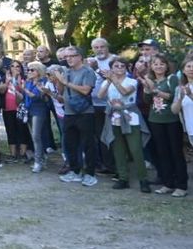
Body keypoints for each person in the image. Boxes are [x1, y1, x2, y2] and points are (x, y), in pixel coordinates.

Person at [97, 58, 149, 192]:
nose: (119, 68)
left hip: (130, 116)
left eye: (122, 66)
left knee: (135, 149)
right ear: (111, 68)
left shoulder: (132, 81)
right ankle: (123, 178)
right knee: (118, 148)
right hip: (114, 117)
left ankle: (143, 179)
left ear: (127, 68)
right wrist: (108, 81)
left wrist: (113, 80)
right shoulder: (107, 82)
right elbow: (100, 95)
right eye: (116, 66)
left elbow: (125, 92)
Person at [53, 46, 98, 187]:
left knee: (88, 144)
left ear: (80, 57)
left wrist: (66, 82)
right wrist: (59, 80)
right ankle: (75, 171)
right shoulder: (66, 71)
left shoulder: (88, 71)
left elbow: (86, 90)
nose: (69, 59)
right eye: (66, 57)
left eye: (72, 56)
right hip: (69, 112)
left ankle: (90, 173)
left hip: (85, 112)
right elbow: (61, 91)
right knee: (70, 143)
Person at [143, 53, 187, 197]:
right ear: (151, 66)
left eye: (162, 64)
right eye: (155, 64)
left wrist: (155, 90)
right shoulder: (151, 80)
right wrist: (147, 89)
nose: (158, 66)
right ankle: (168, 183)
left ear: (167, 66)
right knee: (162, 153)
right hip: (155, 120)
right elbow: (147, 100)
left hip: (171, 121)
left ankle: (181, 185)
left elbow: (174, 97)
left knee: (176, 153)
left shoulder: (172, 79)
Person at [19, 62, 50, 173]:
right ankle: (41, 158)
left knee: (36, 135)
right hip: (29, 109)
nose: (29, 72)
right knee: (35, 136)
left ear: (39, 71)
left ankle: (38, 161)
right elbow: (25, 97)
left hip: (39, 110)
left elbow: (36, 96)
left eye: (32, 70)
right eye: (28, 70)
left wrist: (24, 89)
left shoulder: (42, 82)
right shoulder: (28, 82)